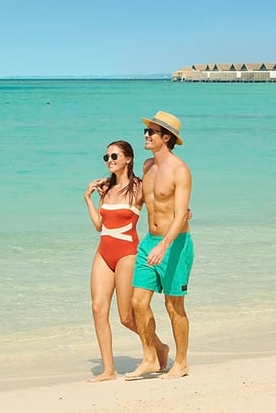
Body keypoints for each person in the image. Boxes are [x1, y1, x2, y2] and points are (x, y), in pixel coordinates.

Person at [84, 140, 169, 382]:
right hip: (104, 250)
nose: (109, 161)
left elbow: (160, 204)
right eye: (106, 157)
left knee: (126, 317)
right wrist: (88, 199)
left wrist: (182, 213)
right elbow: (101, 225)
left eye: (114, 156)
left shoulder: (139, 188)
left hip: (127, 252)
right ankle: (108, 370)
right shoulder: (106, 188)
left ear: (128, 159)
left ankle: (158, 347)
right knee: (98, 309)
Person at [126, 111, 194, 380]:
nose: (146, 135)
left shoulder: (180, 170)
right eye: (146, 131)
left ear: (166, 138)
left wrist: (164, 246)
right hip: (149, 242)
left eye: (151, 132)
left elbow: (179, 215)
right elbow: (142, 201)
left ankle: (181, 362)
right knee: (137, 302)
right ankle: (151, 357)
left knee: (173, 305)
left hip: (175, 245)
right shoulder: (146, 166)